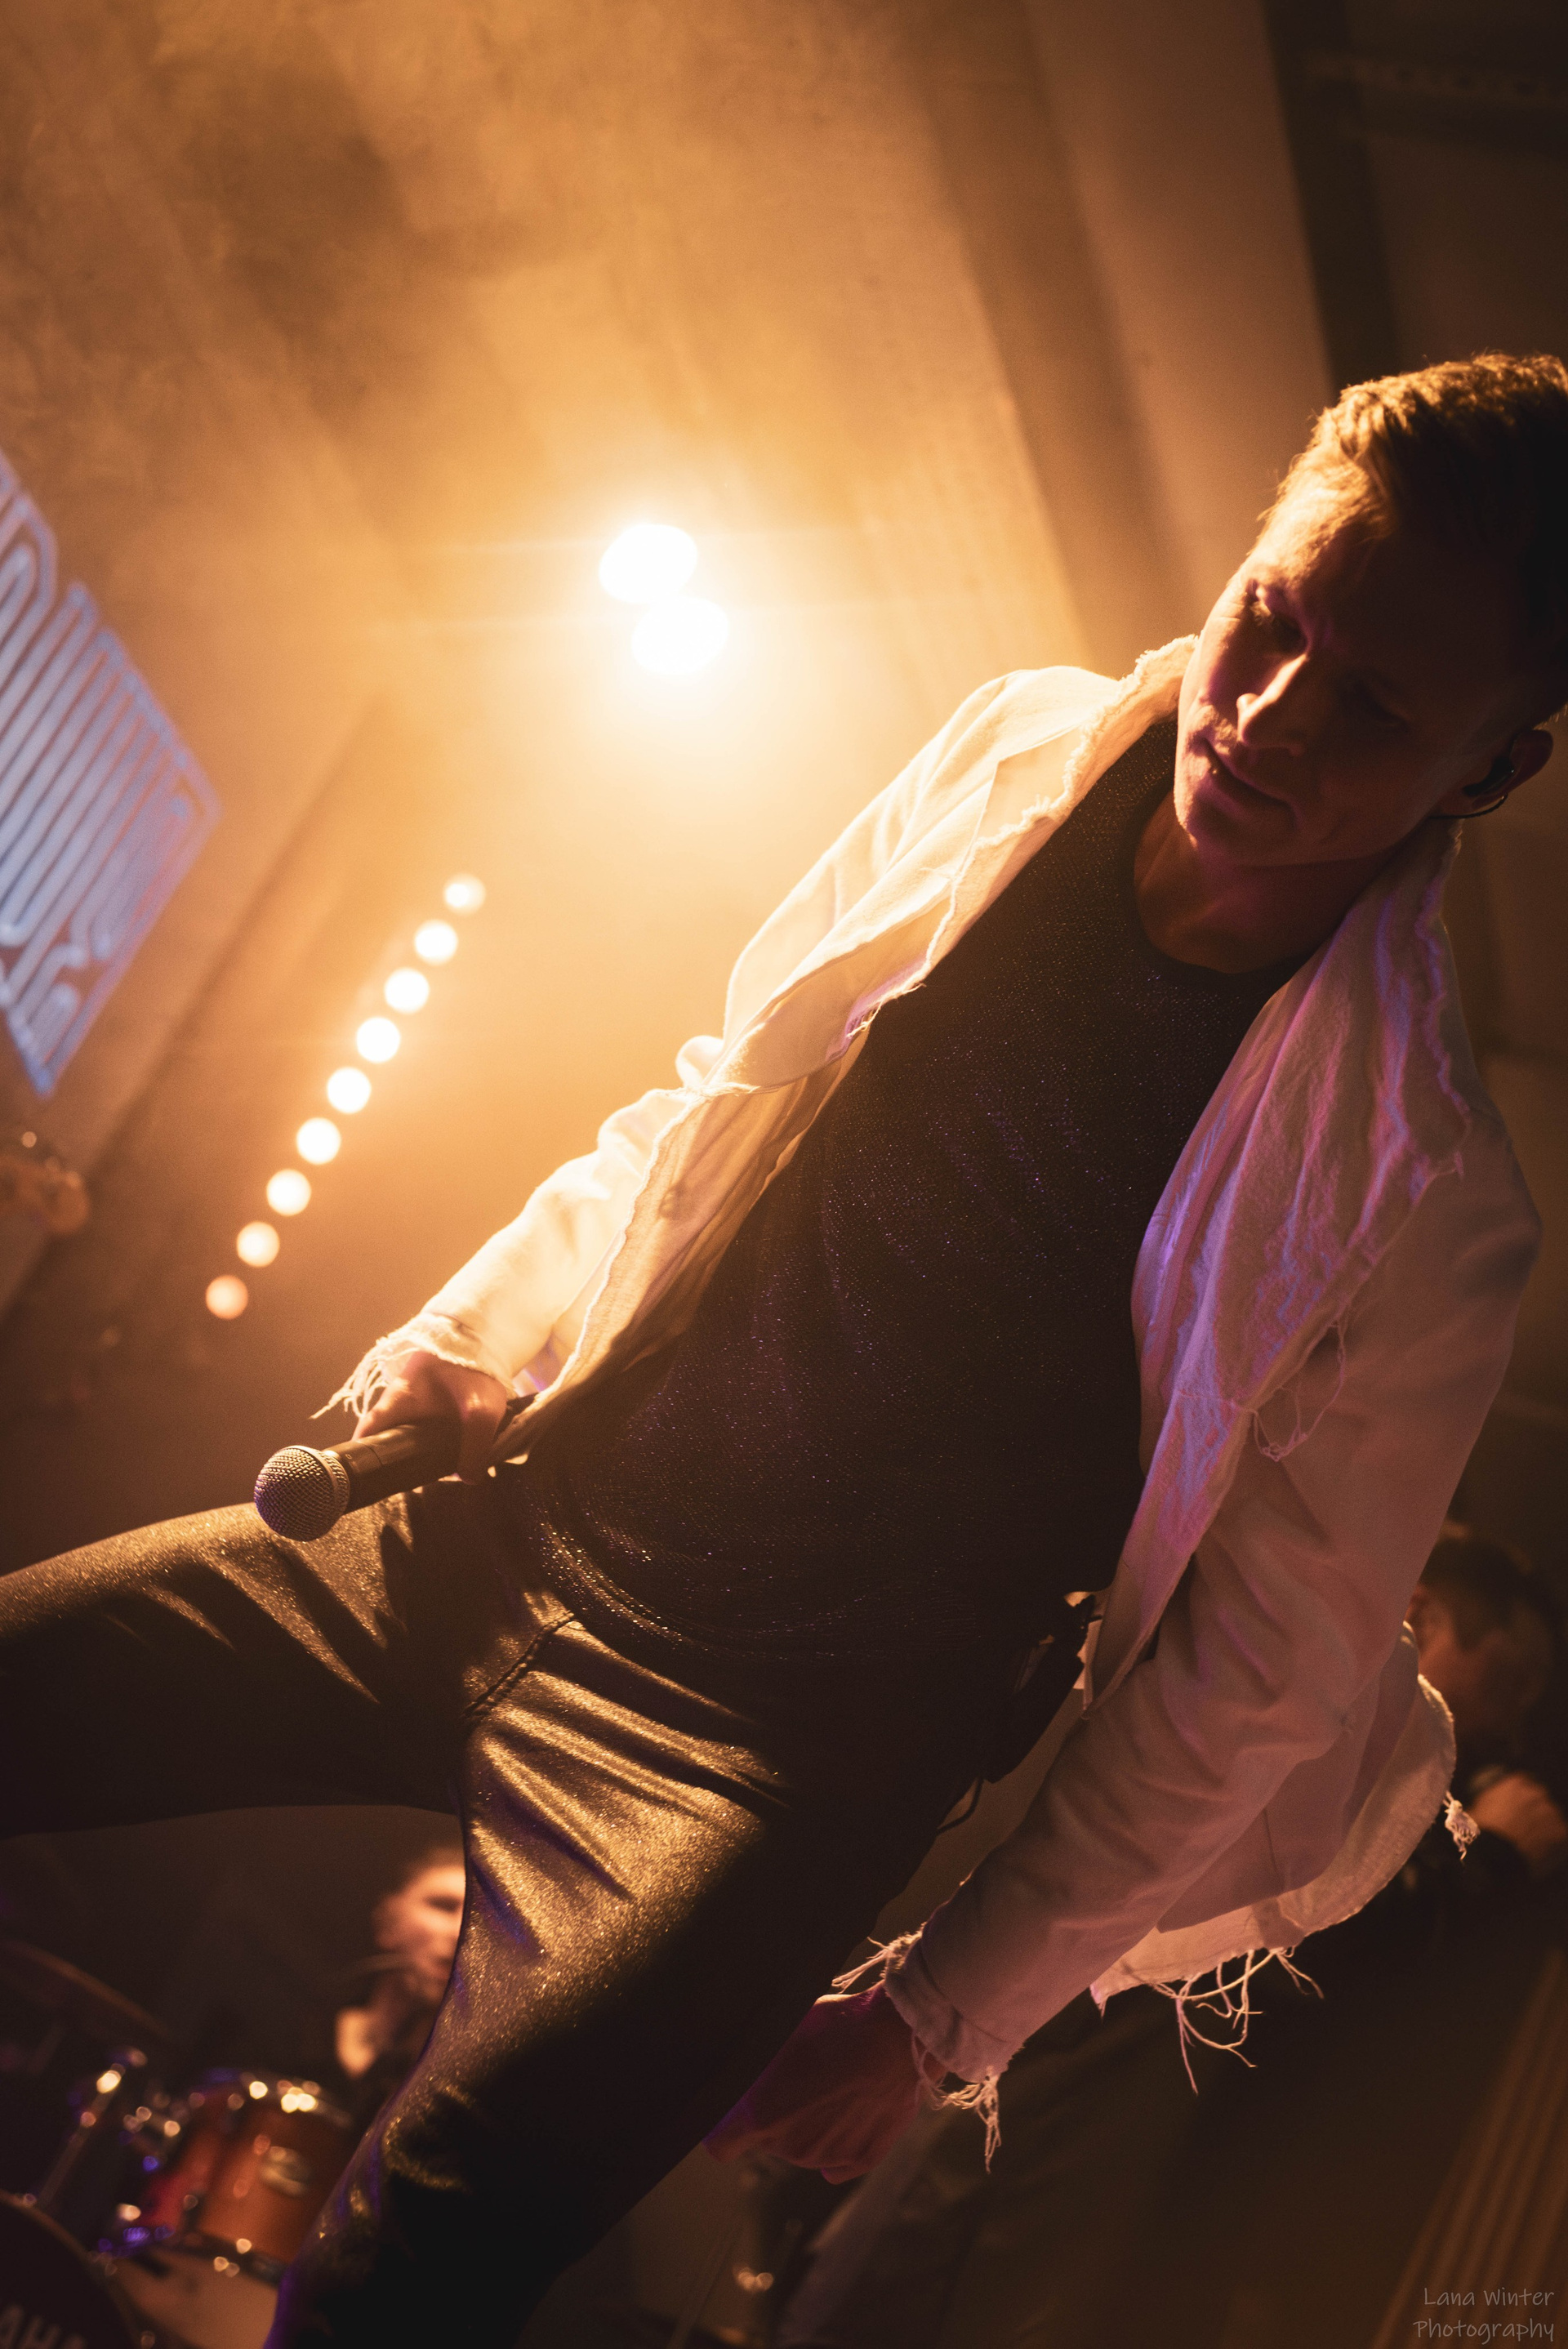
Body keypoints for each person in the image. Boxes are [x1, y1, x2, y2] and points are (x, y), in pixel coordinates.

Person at [0, 354, 1560, 2347]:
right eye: (1275, 620)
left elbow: (1255, 1668)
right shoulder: (1014, 748)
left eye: (1377, 708)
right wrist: (473, 1331)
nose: (1269, 715)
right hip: (498, 1533)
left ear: (1491, 770)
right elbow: (705, 1097)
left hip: (746, 1777)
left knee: (402, 2282)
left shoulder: (1430, 1200)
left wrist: (939, 2011)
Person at [770, 1524, 1568, 2349]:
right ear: (1420, 1614)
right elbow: (1295, 1928)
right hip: (1046, 2141)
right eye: (1507, 1678)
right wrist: (1493, 1861)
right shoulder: (1310, 1705)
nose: (1510, 1728)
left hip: (1091, 2158)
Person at [324, 1836, 466, 2123]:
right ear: (387, 1921)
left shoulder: (467, 2086)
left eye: (479, 1918)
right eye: (443, 1905)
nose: (461, 1931)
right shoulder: (303, 2033)